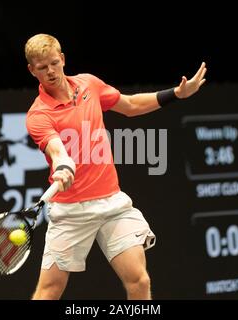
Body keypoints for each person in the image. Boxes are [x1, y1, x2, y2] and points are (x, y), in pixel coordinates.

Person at [25, 33, 207, 300]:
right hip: (71, 210)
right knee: (49, 292)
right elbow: (57, 150)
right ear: (32, 70)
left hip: (112, 203)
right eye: (42, 67)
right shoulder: (38, 114)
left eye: (54, 63)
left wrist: (177, 94)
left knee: (139, 280)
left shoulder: (89, 84)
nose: (50, 71)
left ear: (62, 59)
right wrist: (63, 166)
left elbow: (130, 105)